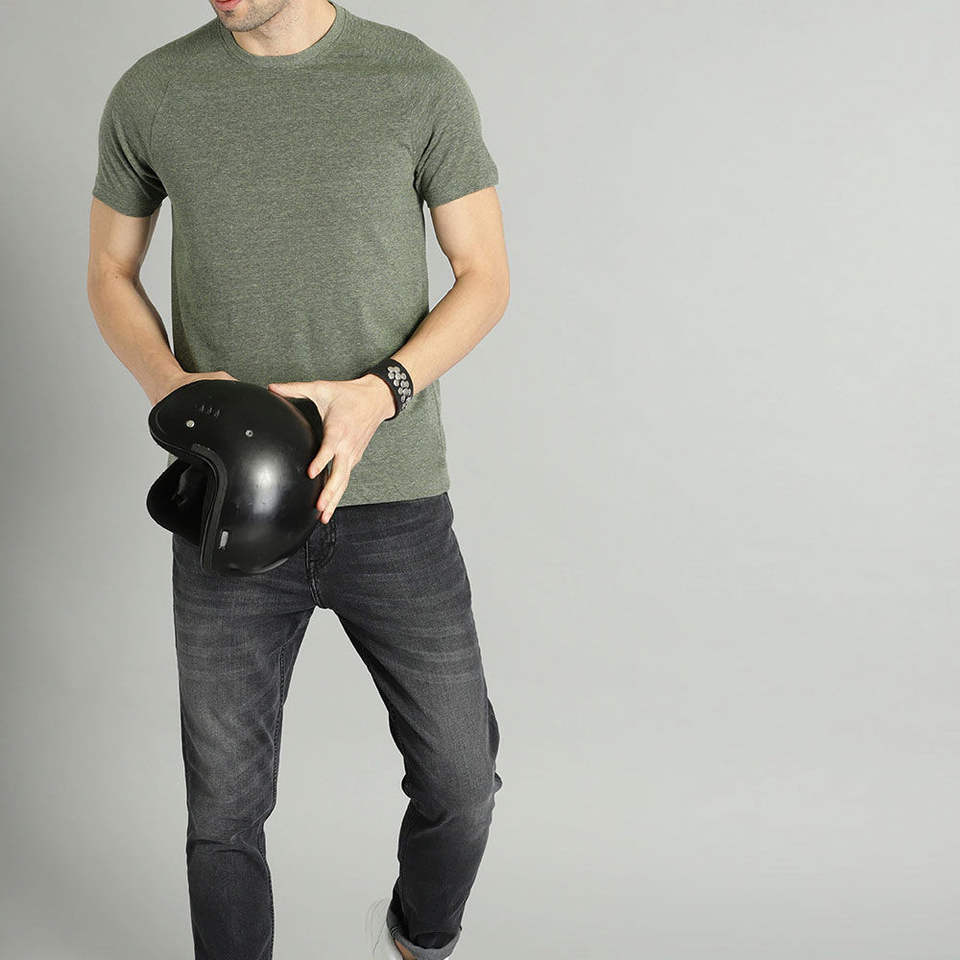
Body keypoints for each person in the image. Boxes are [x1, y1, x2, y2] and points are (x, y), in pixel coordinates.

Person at [86, 1, 509, 957]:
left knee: (461, 781)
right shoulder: (153, 91)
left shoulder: (416, 81)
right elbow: (111, 267)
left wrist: (379, 393)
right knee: (223, 813)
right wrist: (172, 389)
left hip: (394, 504)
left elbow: (485, 273)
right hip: (229, 506)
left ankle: (420, 938)